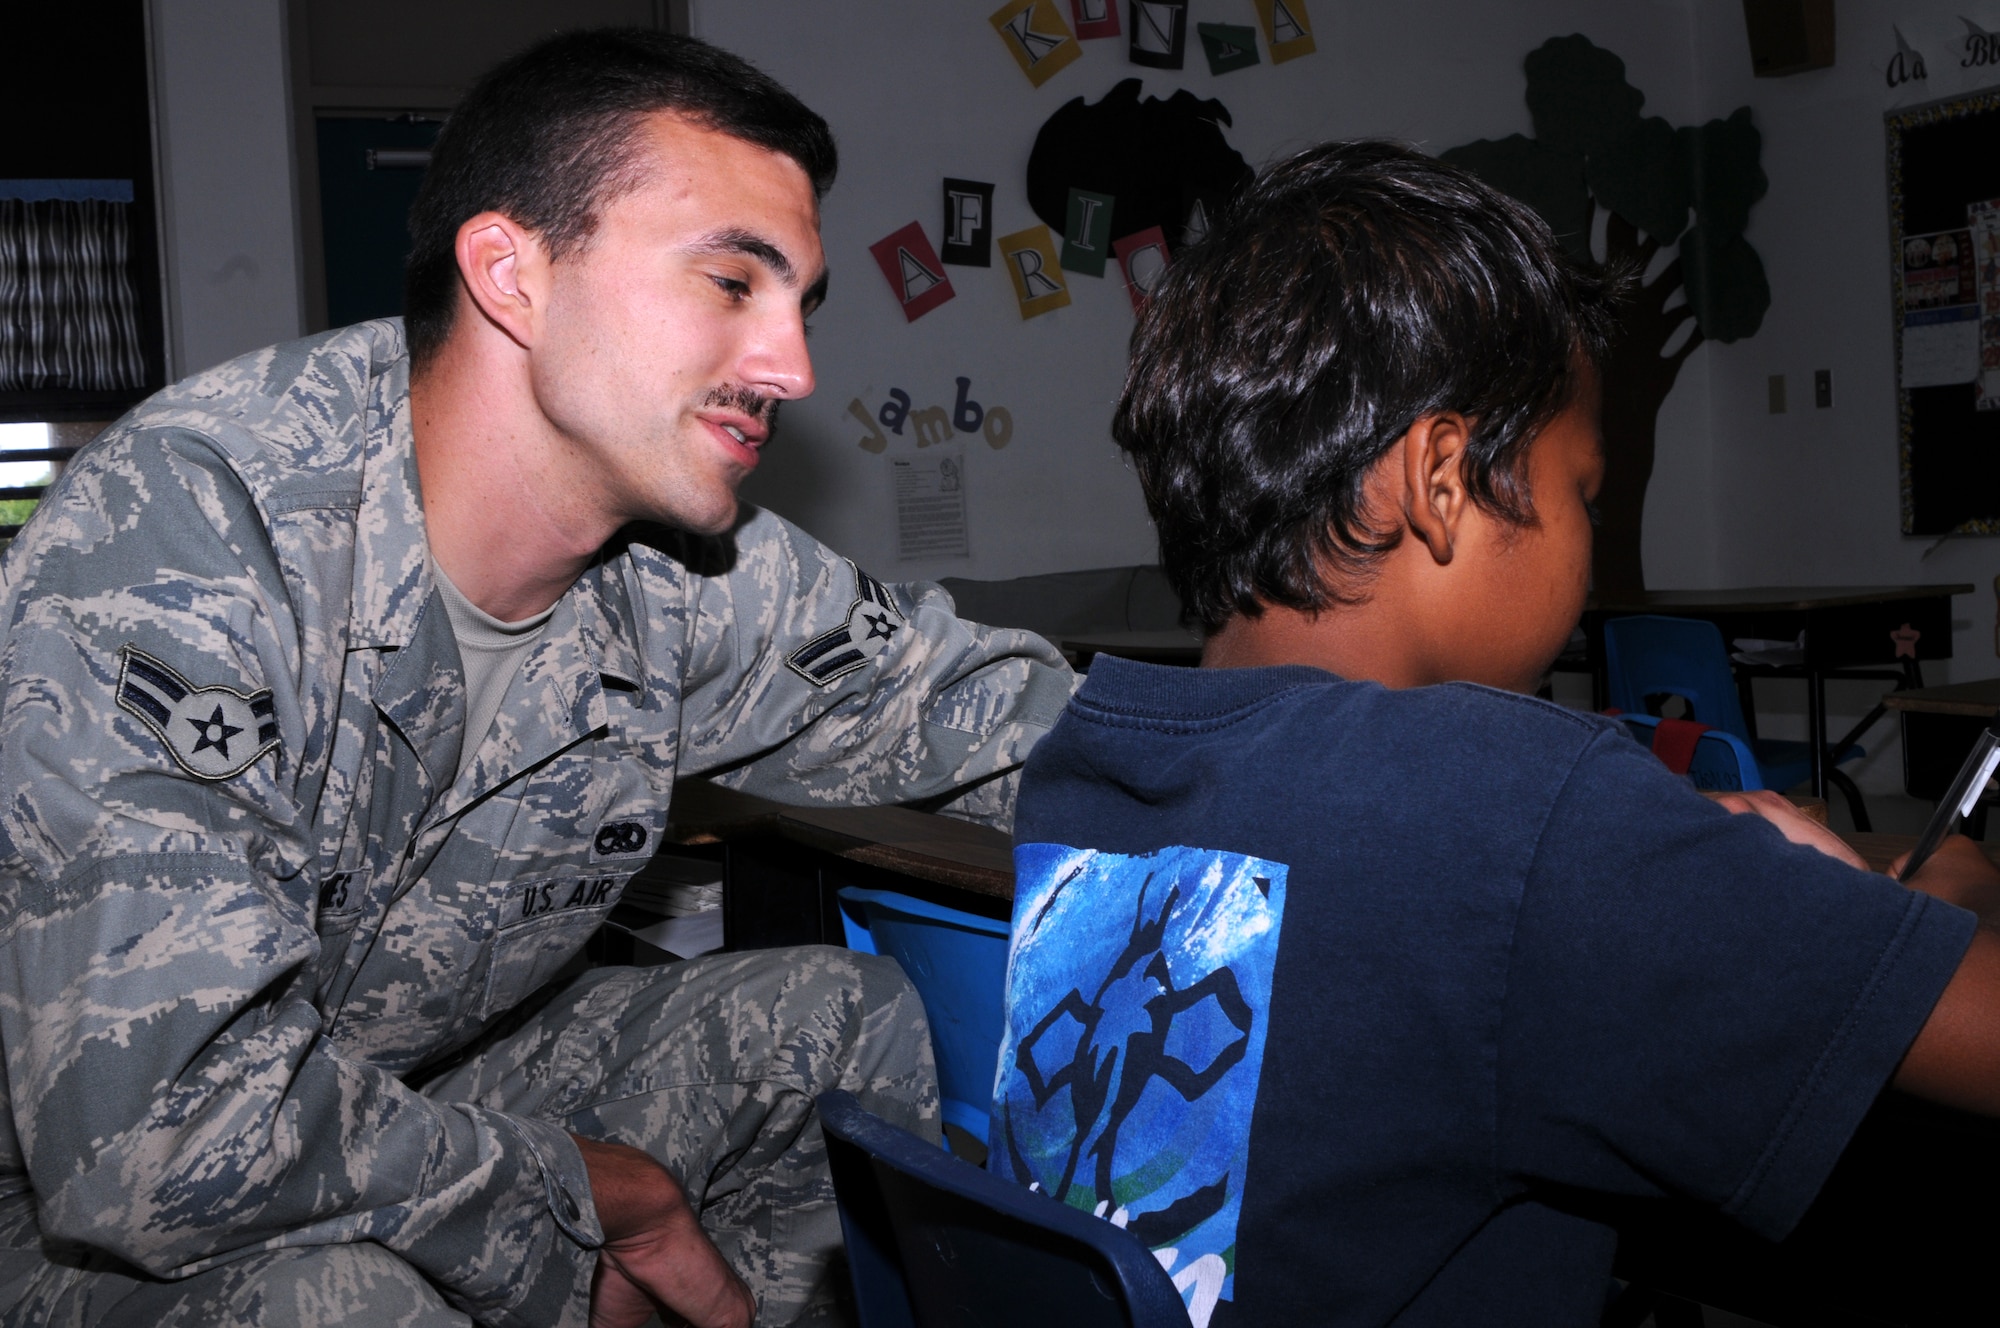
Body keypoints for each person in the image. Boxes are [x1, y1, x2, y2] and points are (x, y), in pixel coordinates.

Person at [0, 29, 1072, 1328]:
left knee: (836, 1022)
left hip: (397, 1083)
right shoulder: (194, 535)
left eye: (800, 303)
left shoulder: (684, 570)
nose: (792, 367)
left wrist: (1339, 773)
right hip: (60, 1189)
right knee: (337, 1304)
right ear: (513, 273)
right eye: (732, 280)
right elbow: (153, 1141)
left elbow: (991, 713)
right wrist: (577, 1209)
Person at [990, 140, 2000, 1327]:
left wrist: (1672, 874)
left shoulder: (1092, 757)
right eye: (1582, 489)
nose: (1587, 532)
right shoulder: (1513, 805)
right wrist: (1946, 886)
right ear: (1441, 478)